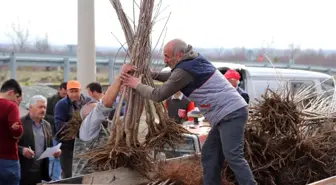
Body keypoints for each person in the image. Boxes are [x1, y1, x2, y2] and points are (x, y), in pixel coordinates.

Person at [120, 39, 256, 185]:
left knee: (233, 156)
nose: (165, 60)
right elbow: (173, 77)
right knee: (209, 155)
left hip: (231, 113)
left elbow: (158, 95)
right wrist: (151, 74)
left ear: (178, 55)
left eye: (167, 56)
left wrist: (136, 84)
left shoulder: (184, 70)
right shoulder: (193, 59)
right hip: (225, 115)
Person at [72, 64, 134, 176]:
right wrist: (121, 76)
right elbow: (104, 105)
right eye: (93, 110)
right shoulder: (87, 128)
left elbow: (129, 119)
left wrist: (127, 95)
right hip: (86, 181)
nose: (97, 111)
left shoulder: (107, 126)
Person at [18, 95, 61, 185]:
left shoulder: (47, 125)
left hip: (40, 172)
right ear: (30, 108)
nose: (43, 110)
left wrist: (55, 152)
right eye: (40, 107)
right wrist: (22, 150)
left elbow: (49, 147)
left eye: (44, 107)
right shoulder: (20, 123)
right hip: (23, 171)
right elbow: (9, 145)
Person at [54, 80, 92, 178]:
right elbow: (59, 124)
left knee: (85, 173)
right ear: (67, 91)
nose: (74, 94)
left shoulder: (89, 102)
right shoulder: (61, 104)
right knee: (68, 174)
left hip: (86, 145)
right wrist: (75, 128)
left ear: (80, 90)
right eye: (71, 91)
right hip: (67, 146)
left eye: (76, 91)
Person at [0, 79, 24, 185]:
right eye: (16, 97)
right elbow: (17, 134)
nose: (16, 101)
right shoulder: (11, 106)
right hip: (8, 160)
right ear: (11, 93)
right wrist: (17, 129)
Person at [45, 82, 67, 181]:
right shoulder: (51, 100)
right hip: (53, 133)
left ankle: (56, 178)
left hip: (64, 135)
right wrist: (57, 119)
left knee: (59, 158)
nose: (65, 95)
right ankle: (48, 178)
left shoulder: (70, 101)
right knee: (51, 157)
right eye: (64, 93)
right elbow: (44, 115)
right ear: (59, 90)